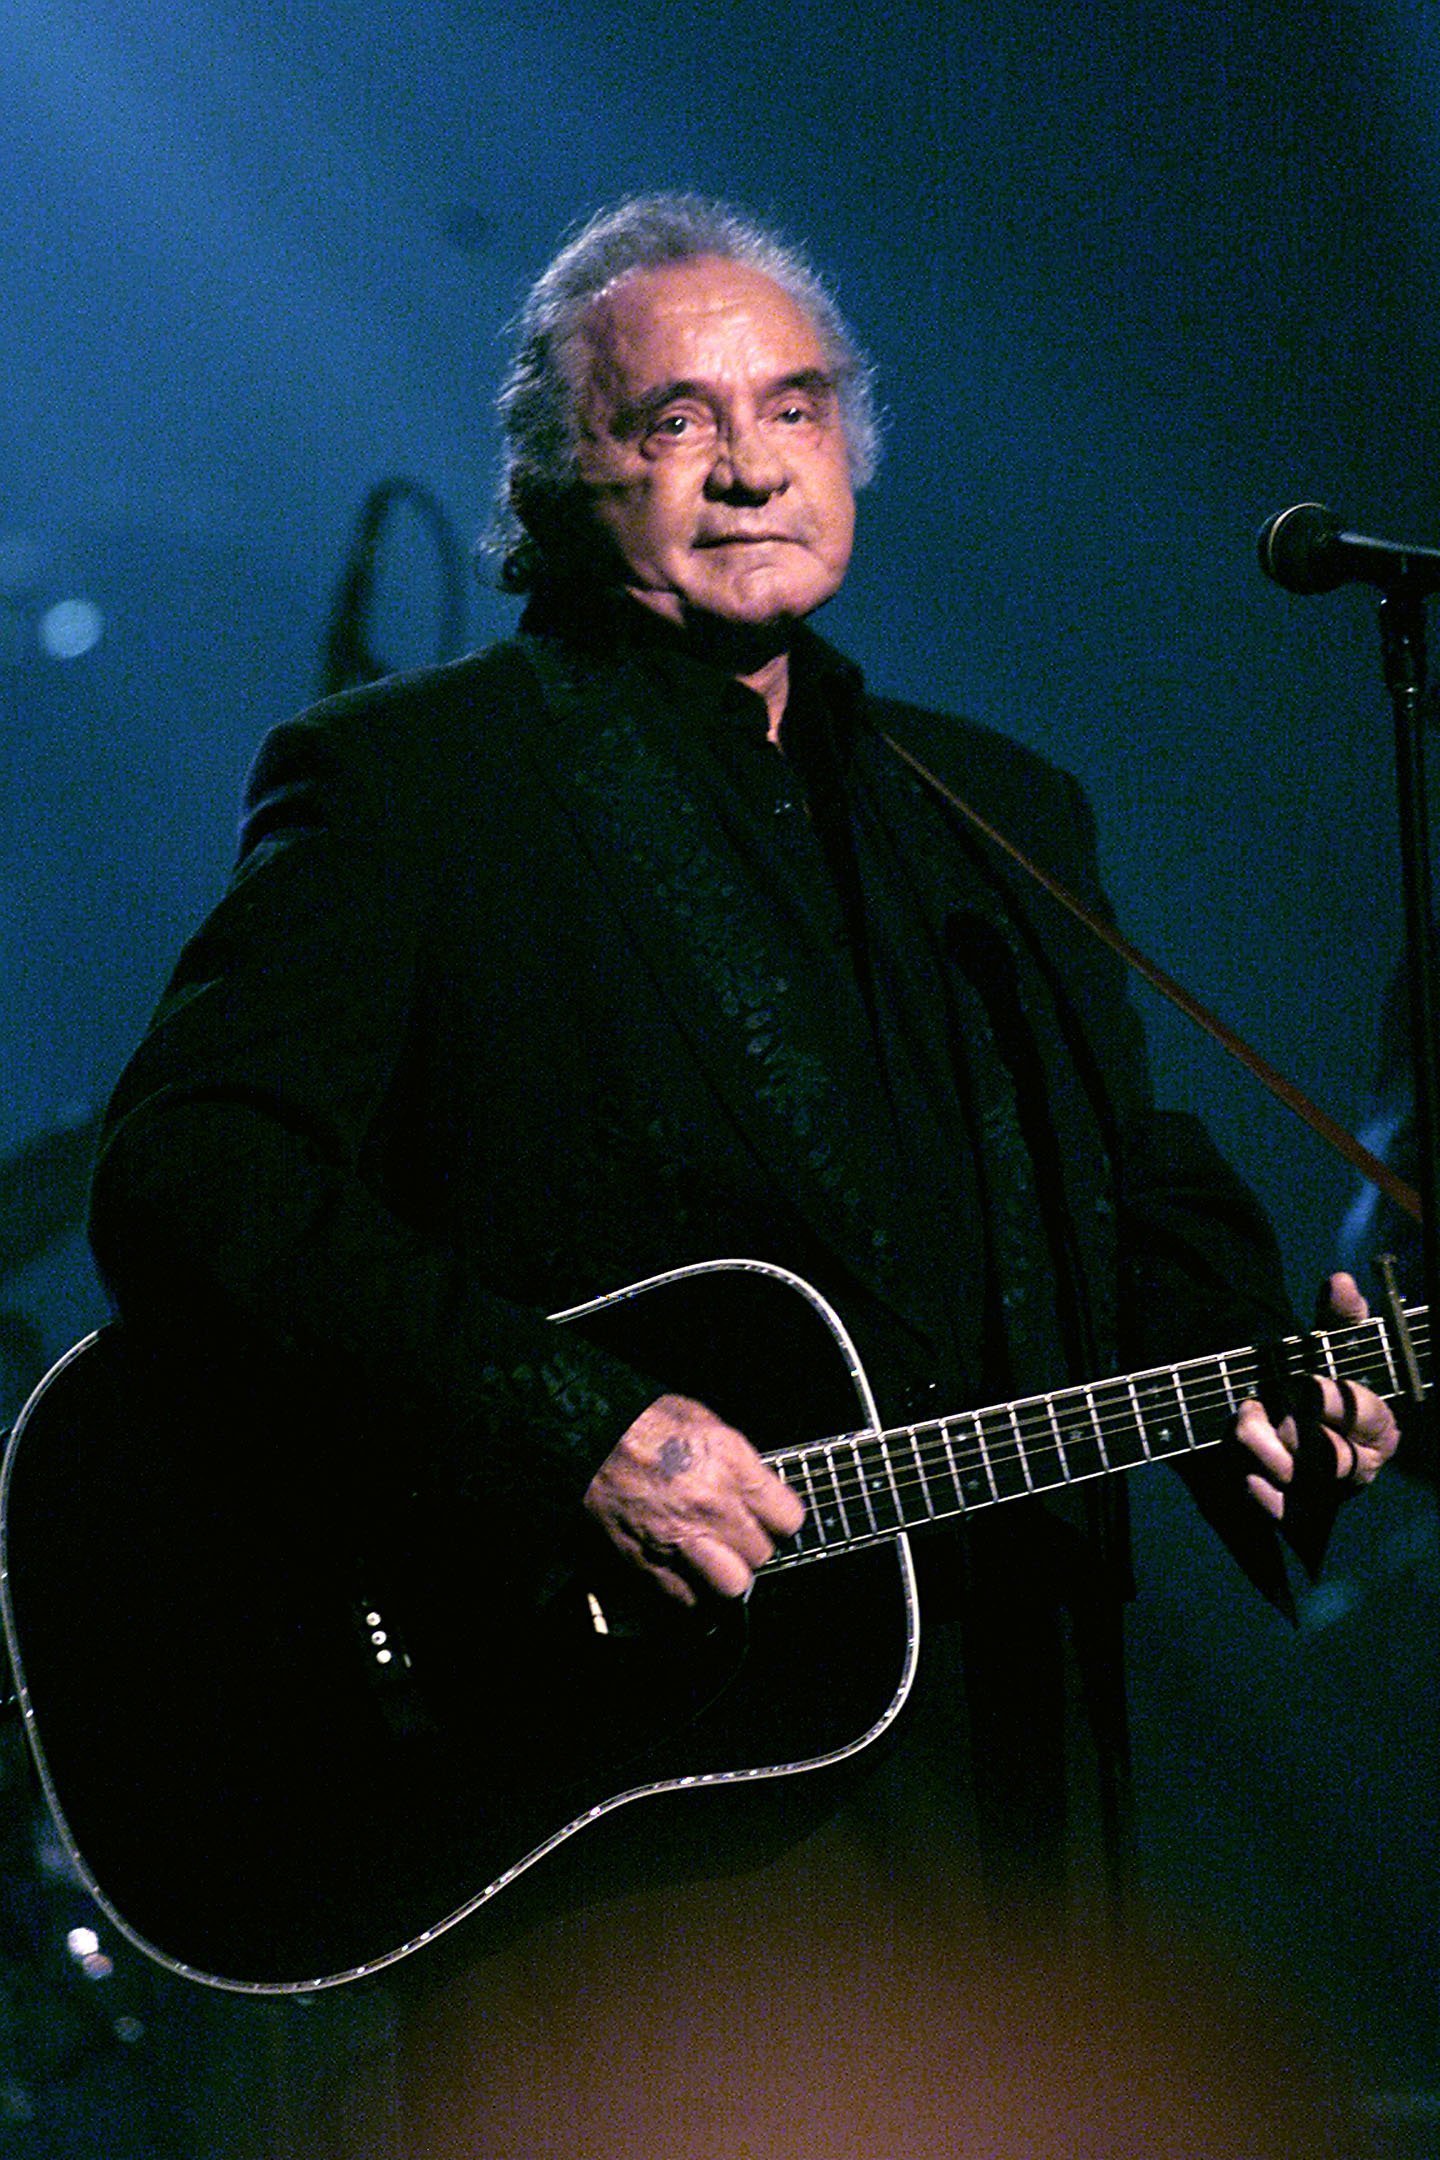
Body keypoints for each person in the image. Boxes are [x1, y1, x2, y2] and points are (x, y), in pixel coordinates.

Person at [88, 193, 1396, 1935]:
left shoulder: (1002, 810)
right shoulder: (417, 784)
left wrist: (1254, 1387)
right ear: (564, 476)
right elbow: (192, 1180)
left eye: (794, 407)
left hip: (1008, 1752)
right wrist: (573, 1430)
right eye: (678, 422)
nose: (754, 467)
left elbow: (1130, 1177)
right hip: (624, 1774)